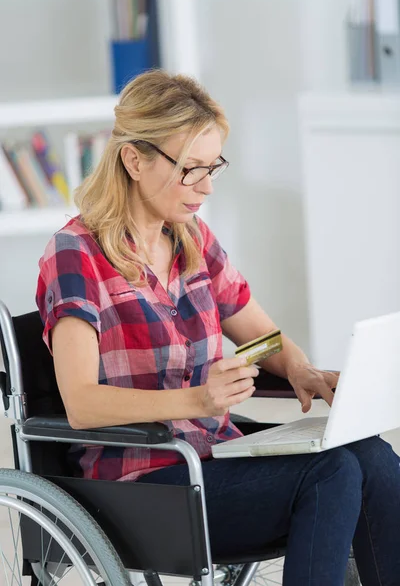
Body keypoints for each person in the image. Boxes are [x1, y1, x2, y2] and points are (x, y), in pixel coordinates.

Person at [36, 70, 400, 586]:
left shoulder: (191, 237)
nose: (206, 187)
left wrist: (300, 368)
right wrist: (197, 400)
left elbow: (260, 336)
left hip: (214, 456)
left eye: (213, 167)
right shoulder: (76, 254)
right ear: (133, 160)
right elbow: (82, 402)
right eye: (190, 170)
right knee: (331, 475)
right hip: (145, 482)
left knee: (370, 454)